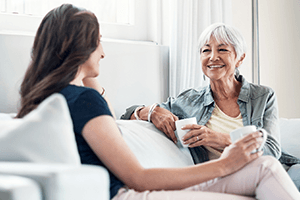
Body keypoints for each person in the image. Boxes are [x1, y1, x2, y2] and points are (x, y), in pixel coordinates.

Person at [16, 4, 300, 200]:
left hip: (129, 188)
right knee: (265, 170)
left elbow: (108, 116)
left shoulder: (51, 97)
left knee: (270, 167)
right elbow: (137, 176)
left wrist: (79, 65)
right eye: (99, 41)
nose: (103, 52)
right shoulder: (82, 101)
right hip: (130, 192)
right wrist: (225, 164)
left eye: (223, 49)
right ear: (82, 47)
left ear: (240, 57)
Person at [121, 23, 300, 190]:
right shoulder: (190, 101)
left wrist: (216, 138)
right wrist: (152, 112)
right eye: (206, 50)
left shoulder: (262, 96)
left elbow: (271, 151)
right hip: (225, 180)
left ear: (240, 58)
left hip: (271, 173)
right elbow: (126, 115)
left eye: (222, 49)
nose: (213, 57)